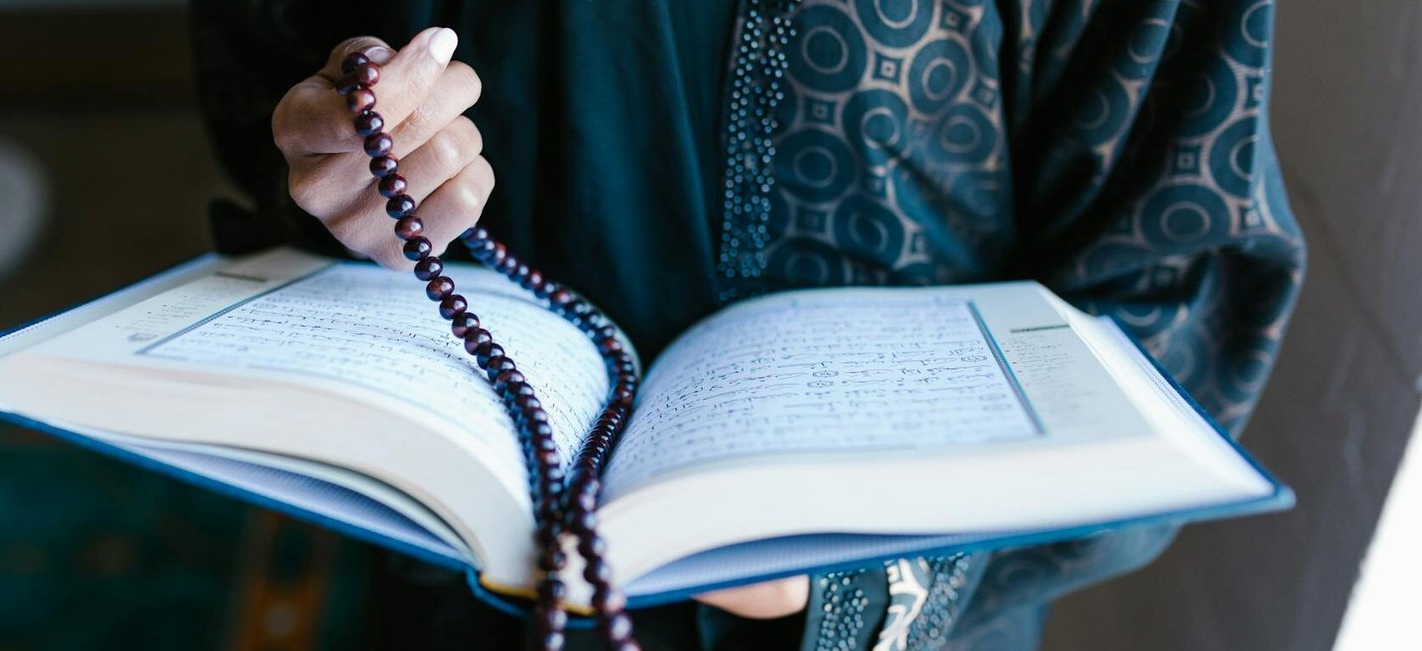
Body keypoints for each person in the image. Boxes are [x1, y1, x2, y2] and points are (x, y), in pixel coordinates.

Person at [192, 1, 1305, 649]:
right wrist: (353, 161)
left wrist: (853, 577)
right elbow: (270, 82)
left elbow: (1178, 285)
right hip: (471, 549)